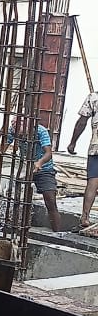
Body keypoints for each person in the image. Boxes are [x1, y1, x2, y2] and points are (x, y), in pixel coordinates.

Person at [5, 117, 62, 232]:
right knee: (15, 197)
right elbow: (2, 148)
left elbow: (48, 153)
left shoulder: (40, 131)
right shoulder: (12, 130)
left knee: (50, 200)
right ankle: (14, 227)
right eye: (13, 126)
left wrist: (39, 163)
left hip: (44, 169)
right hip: (25, 168)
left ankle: (57, 232)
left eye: (18, 128)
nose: (17, 132)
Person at [68, 90, 98, 230]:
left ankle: (85, 217)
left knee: (93, 181)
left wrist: (73, 142)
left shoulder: (94, 97)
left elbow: (82, 122)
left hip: (96, 147)